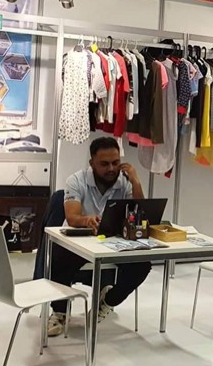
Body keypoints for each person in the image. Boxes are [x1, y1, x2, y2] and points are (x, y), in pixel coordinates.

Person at [47, 137, 149, 337]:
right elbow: (72, 217)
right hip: (79, 240)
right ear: (92, 163)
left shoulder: (125, 181)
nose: (111, 168)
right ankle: (59, 312)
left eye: (115, 162)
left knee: (142, 264)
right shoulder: (76, 180)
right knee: (59, 257)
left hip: (112, 242)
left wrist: (136, 182)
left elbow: (140, 213)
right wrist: (87, 220)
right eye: (104, 164)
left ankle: (108, 301)